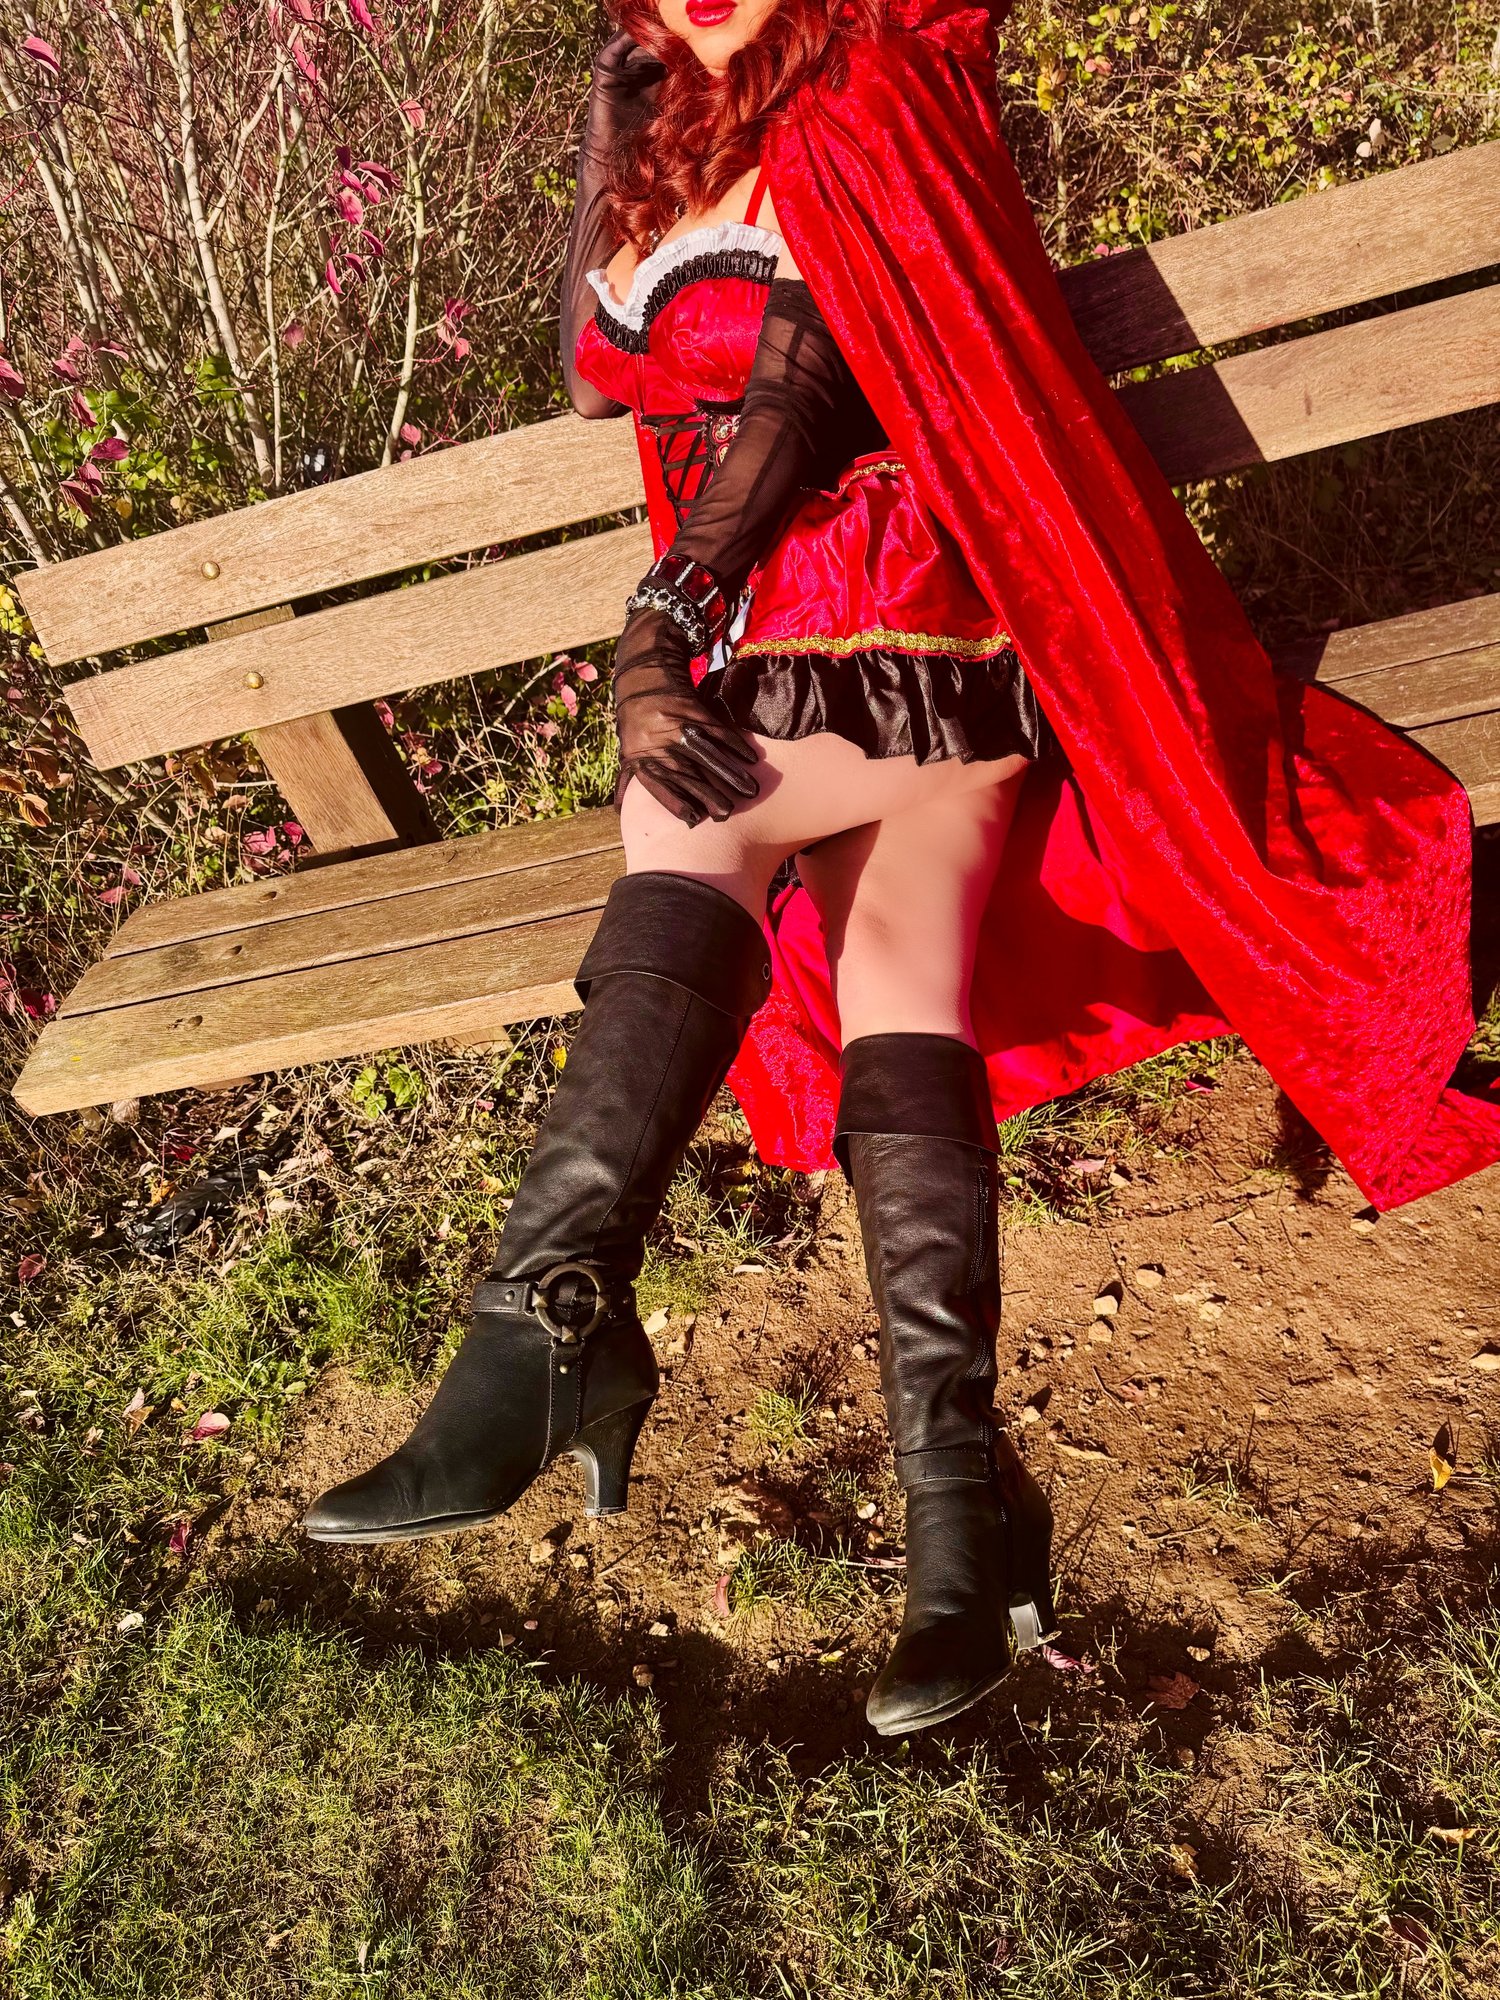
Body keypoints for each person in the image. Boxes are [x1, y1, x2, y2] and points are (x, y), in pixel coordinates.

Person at [303, 0, 1500, 1736]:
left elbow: (804, 396)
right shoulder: (679, 128)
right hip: (785, 632)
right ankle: (960, 1520)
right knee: (890, 984)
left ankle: (546, 1327)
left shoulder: (872, 83)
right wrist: (608, 133)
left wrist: (661, 616)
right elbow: (591, 374)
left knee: (691, 822)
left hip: (923, 595)